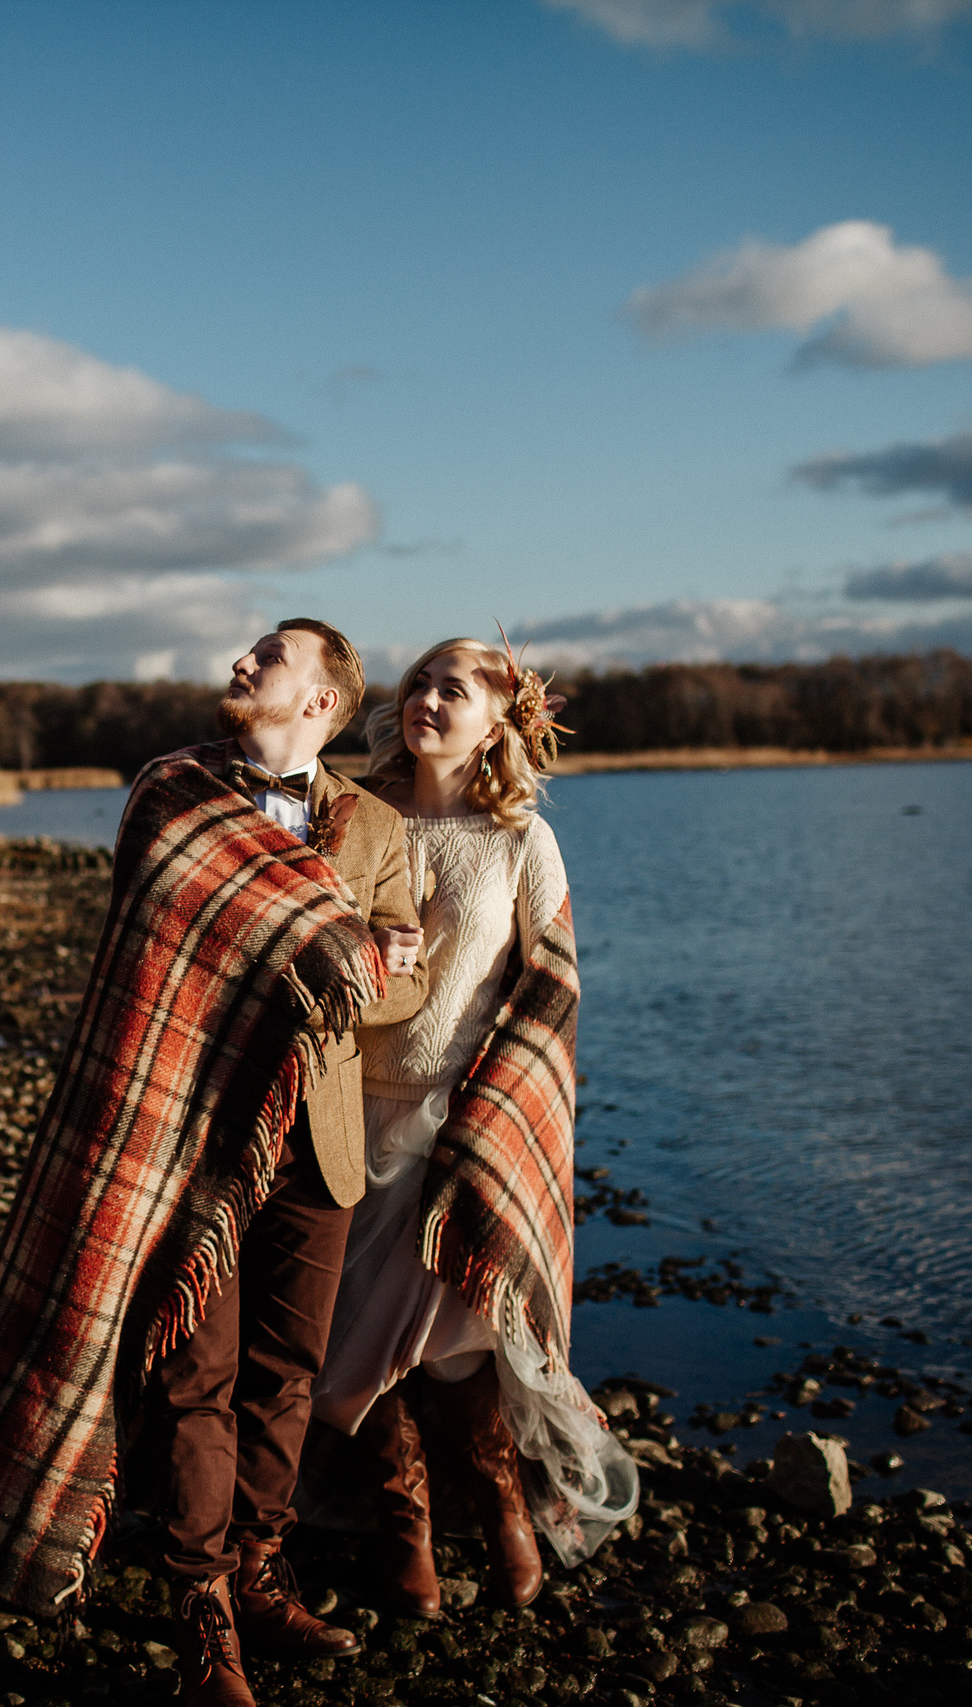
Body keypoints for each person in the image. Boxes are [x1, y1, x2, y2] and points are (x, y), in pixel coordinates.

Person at [0, 619, 426, 1707]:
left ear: (318, 702)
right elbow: (166, 945)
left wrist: (354, 959)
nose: (241, 663)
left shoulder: (371, 823)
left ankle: (259, 1570)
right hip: (188, 1131)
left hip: (315, 1137)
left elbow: (404, 981)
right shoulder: (175, 795)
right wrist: (342, 949)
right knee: (197, 1378)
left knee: (287, 1377)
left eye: (268, 658)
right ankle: (202, 1609)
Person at [307, 635, 639, 1621]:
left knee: (456, 1346)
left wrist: (499, 1113)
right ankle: (402, 1522)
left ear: (499, 722)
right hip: (349, 1116)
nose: (427, 702)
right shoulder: (353, 819)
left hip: (465, 1122)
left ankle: (501, 1507)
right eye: (419, 685)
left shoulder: (519, 839)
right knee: (342, 1355)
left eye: (453, 690)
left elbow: (555, 984)